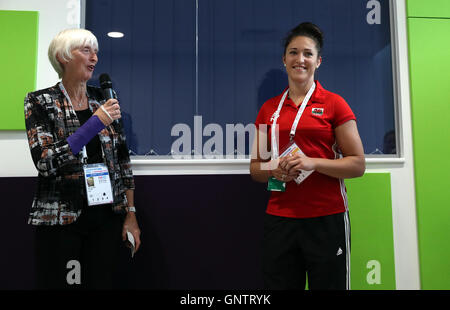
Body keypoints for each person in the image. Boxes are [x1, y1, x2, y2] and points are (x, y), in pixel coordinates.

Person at [250, 22, 365, 290]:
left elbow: (358, 164)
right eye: (293, 52)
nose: (300, 59)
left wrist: (313, 162)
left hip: (327, 218)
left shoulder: (334, 103)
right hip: (280, 219)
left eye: (307, 53)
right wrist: (273, 170)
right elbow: (255, 168)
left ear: (318, 61)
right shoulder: (269, 110)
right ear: (284, 59)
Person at [24, 28, 141, 289]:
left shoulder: (103, 99)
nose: (94, 58)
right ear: (63, 56)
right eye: (86, 51)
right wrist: (95, 123)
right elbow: (45, 162)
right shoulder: (40, 101)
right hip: (62, 222)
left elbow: (123, 162)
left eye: (96, 52)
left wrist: (130, 215)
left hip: (105, 219)